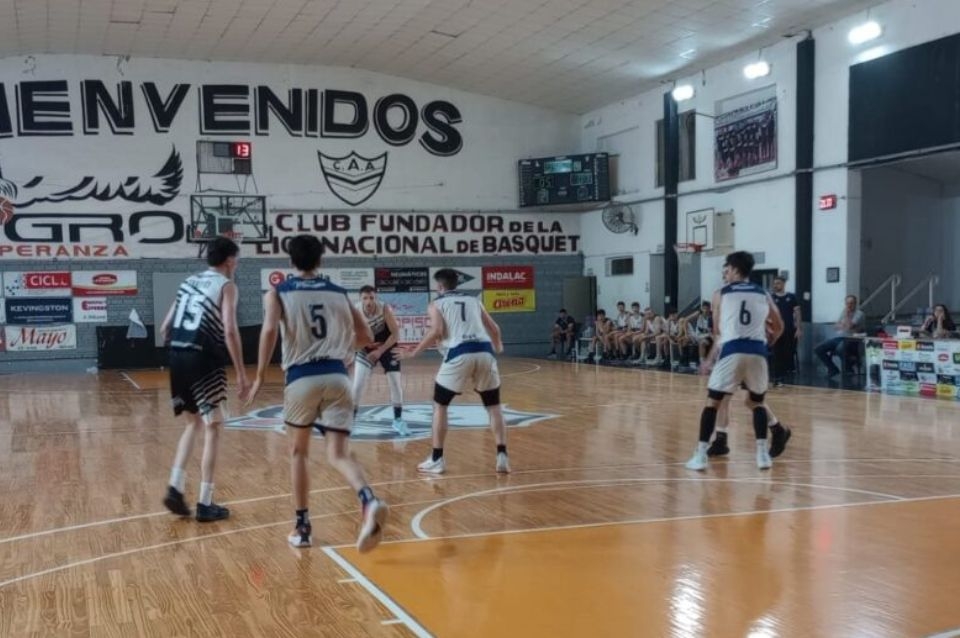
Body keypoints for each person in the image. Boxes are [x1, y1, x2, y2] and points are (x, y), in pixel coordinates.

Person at [247, 235, 388, 551]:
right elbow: (366, 335)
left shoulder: (279, 292)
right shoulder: (339, 292)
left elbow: (269, 332)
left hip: (302, 377)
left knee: (298, 452)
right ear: (320, 260)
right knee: (339, 454)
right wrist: (341, 350)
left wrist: (259, 376)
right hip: (338, 376)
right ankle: (368, 499)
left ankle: (303, 527)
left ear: (290, 261)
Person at [160, 236, 249, 522]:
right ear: (230, 260)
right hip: (203, 358)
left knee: (193, 423)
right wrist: (241, 372)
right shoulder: (226, 285)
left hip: (178, 354)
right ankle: (205, 503)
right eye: (237, 259)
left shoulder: (187, 282)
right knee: (213, 427)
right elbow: (230, 330)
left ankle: (175, 486)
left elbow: (165, 328)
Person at [397, 268, 508, 474]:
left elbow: (437, 331)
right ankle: (502, 455)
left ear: (439, 287)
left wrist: (413, 352)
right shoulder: (474, 300)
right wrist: (498, 346)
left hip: (459, 353)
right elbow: (494, 328)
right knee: (493, 406)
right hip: (485, 352)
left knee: (440, 405)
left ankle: (437, 459)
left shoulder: (436, 303)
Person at [685, 251, 784, 472]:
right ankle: (762, 455)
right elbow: (778, 326)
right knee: (757, 403)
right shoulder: (763, 293)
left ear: (735, 269)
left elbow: (717, 331)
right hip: (758, 352)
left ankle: (700, 455)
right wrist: (769, 340)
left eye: (727, 269)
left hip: (732, 350)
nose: (725, 273)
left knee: (712, 402)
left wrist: (709, 359)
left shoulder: (720, 293)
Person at [351, 285, 409, 436]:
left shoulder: (384, 309)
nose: (369, 301)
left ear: (376, 298)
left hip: (387, 345)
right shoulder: (355, 311)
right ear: (360, 299)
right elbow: (352, 338)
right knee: (357, 385)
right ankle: (350, 421)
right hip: (366, 348)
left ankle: (398, 420)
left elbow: (395, 334)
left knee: (395, 382)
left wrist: (380, 350)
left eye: (371, 297)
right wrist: (364, 344)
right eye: (365, 298)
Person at [814, 295, 865, 377]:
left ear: (855, 304)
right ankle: (832, 368)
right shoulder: (844, 312)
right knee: (818, 349)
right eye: (847, 303)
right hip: (840, 338)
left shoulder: (859, 314)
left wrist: (847, 317)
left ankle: (849, 367)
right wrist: (844, 325)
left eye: (851, 303)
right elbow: (835, 326)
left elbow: (849, 326)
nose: (849, 305)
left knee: (840, 349)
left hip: (852, 339)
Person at [770, 276, 801, 386]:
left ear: (783, 284)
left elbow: (797, 313)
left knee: (787, 353)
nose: (776, 285)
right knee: (776, 353)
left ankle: (784, 376)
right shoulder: (771, 297)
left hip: (789, 329)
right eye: (775, 283)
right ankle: (776, 377)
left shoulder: (791, 297)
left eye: (778, 283)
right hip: (776, 330)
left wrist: (799, 328)